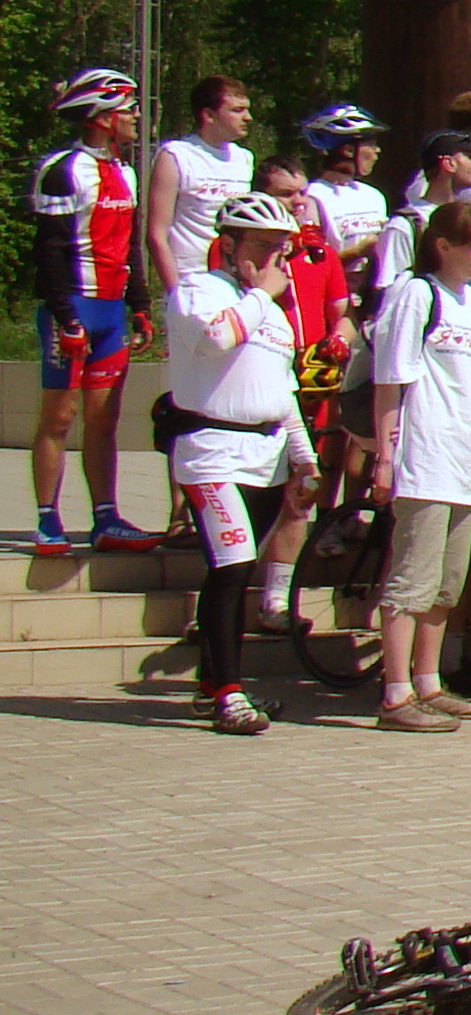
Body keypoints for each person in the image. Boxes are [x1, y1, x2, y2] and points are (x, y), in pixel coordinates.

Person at [166, 193, 319, 732]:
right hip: (211, 450)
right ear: (228, 245)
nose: (275, 257)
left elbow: (283, 391)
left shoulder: (272, 312)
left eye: (282, 247)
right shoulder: (198, 290)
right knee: (232, 564)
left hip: (265, 455)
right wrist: (261, 294)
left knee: (234, 570)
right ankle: (229, 694)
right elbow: (218, 338)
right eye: (262, 245)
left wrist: (305, 458)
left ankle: (212, 687)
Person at [366, 199, 471, 730]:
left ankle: (429, 681)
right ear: (442, 246)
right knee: (412, 579)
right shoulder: (416, 293)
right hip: (422, 457)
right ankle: (395, 693)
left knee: (447, 583)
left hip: (464, 460)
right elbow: (389, 380)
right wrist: (385, 457)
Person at [29, 66, 156, 556]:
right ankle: (47, 519)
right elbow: (49, 252)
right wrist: (66, 318)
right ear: (102, 118)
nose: (137, 117)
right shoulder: (62, 168)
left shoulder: (126, 171)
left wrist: (140, 305)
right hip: (74, 309)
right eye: (129, 109)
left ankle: (106, 518)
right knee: (59, 418)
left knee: (104, 422)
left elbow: (130, 247)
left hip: (110, 312)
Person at [145, 73, 257, 308]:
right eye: (237, 110)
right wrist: (175, 293)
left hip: (233, 284)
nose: (248, 118)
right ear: (209, 115)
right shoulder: (176, 155)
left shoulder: (244, 158)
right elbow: (156, 234)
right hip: (191, 283)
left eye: (247, 109)